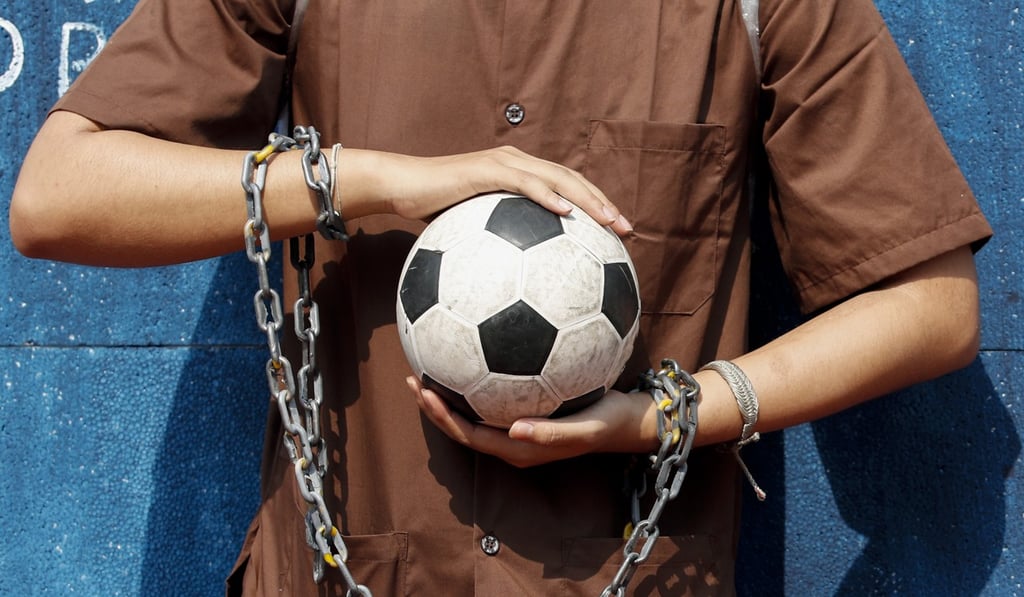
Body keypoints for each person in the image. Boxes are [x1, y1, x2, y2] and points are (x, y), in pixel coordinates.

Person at [9, 0, 991, 595]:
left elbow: (931, 304)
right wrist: (373, 183)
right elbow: (60, 197)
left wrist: (667, 416)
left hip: (628, 572)